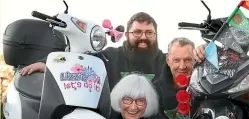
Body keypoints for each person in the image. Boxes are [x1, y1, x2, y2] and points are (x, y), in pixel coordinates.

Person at [19, 12, 206, 90]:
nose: (143, 37)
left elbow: (189, 63)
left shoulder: (167, 61)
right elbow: (78, 58)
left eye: (149, 32)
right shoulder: (110, 57)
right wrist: (46, 63)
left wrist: (204, 51)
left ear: (156, 35)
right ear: (126, 34)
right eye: (137, 32)